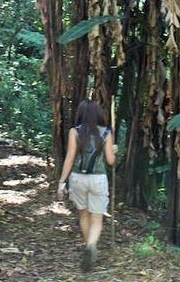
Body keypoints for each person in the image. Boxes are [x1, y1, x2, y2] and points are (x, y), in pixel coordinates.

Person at [56, 100, 117, 272]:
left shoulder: (74, 132)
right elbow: (111, 161)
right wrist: (114, 151)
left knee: (83, 214)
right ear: (98, 114)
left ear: (81, 114)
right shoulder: (106, 132)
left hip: (78, 178)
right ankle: (91, 246)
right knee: (97, 218)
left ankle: (88, 246)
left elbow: (69, 158)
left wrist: (61, 182)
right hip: (98, 179)